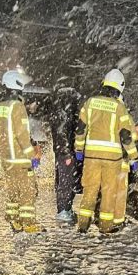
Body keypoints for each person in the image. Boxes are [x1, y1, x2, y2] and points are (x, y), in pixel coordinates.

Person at [74, 69, 138, 234]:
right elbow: (126, 136)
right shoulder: (119, 108)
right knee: (109, 192)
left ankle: (83, 224)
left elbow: (80, 129)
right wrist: (133, 157)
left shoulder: (90, 103)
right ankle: (105, 226)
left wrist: (79, 149)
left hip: (91, 156)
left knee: (90, 190)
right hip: (112, 159)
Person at [0, 68, 42, 234]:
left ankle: (14, 220)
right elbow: (21, 134)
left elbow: (4, 132)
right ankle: (28, 224)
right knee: (28, 192)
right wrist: (32, 156)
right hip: (20, 158)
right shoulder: (18, 106)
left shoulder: (0, 106)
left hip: (7, 158)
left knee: (13, 190)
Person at [51, 87, 82, 223]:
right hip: (66, 154)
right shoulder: (63, 115)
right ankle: (64, 210)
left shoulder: (63, 113)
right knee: (66, 182)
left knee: (67, 181)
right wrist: (67, 153)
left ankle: (66, 209)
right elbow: (61, 134)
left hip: (64, 153)